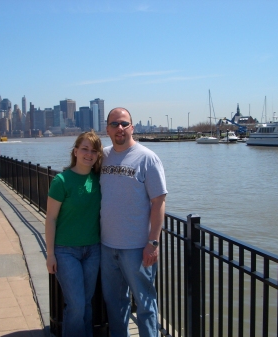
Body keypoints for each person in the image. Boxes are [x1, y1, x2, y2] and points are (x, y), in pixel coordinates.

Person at [100, 107, 167, 337]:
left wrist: (153, 242)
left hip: (138, 249)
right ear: (107, 129)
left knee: (146, 305)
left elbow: (159, 201)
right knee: (116, 304)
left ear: (132, 127)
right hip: (107, 247)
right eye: (114, 124)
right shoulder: (103, 156)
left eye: (124, 123)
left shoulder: (148, 158)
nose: (119, 128)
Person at [45, 130, 103, 337]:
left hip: (93, 249)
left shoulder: (99, 180)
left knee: (86, 303)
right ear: (76, 151)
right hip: (66, 251)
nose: (89, 154)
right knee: (76, 304)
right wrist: (50, 254)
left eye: (94, 151)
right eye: (85, 149)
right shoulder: (61, 180)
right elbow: (50, 218)